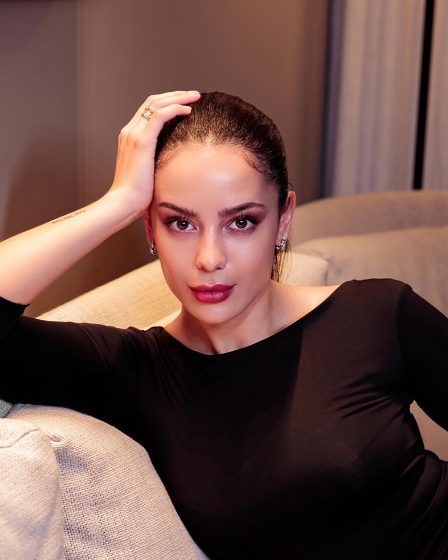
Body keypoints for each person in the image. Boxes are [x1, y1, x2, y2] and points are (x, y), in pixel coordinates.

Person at [0, 90, 447, 559]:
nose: (209, 258)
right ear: (150, 228)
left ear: (283, 220)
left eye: (241, 222)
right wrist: (118, 202)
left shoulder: (376, 315)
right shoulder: (133, 372)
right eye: (180, 223)